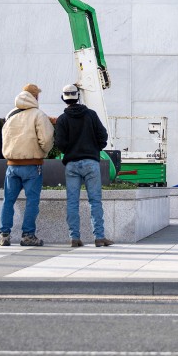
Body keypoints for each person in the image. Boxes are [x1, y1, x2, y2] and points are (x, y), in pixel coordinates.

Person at [54, 83, 113, 248]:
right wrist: (94, 148)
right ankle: (99, 237)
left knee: (72, 202)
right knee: (95, 201)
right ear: (77, 96)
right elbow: (103, 136)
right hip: (91, 162)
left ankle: (74, 238)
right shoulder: (91, 115)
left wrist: (70, 150)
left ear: (64, 99)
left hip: (71, 164)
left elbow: (59, 143)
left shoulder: (62, 119)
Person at [0, 83, 55, 247]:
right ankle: (28, 235)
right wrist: (43, 153)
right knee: (32, 201)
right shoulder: (38, 115)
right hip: (32, 165)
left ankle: (4, 235)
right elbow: (46, 139)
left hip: (12, 165)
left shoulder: (10, 114)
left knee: (8, 200)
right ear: (35, 96)